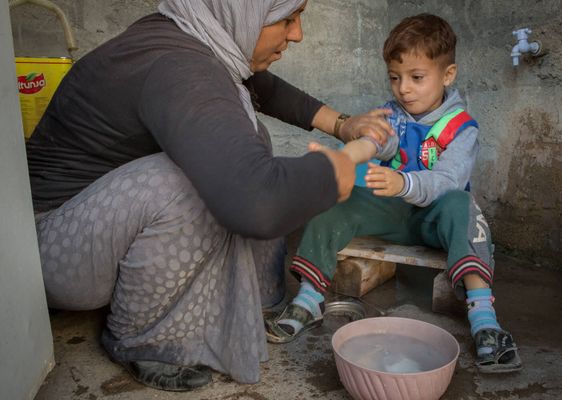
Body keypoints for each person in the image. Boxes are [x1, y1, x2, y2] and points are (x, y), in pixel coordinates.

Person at [25, 0, 396, 392]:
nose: (297, 34)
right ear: (240, 11)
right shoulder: (178, 64)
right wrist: (340, 165)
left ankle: (254, 295)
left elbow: (259, 86)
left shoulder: (192, 34)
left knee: (246, 138)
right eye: (286, 19)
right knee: (183, 183)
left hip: (96, 226)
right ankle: (144, 339)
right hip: (50, 248)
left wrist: (341, 124)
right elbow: (257, 201)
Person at [265, 13, 522, 373]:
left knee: (464, 206)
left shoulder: (462, 128)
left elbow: (447, 180)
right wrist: (339, 161)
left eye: (417, 78)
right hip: (393, 213)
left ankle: (484, 318)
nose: (403, 88)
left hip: (436, 219)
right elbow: (374, 143)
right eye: (395, 78)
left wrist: (405, 184)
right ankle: (309, 300)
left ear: (447, 75)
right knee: (333, 200)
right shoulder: (392, 114)